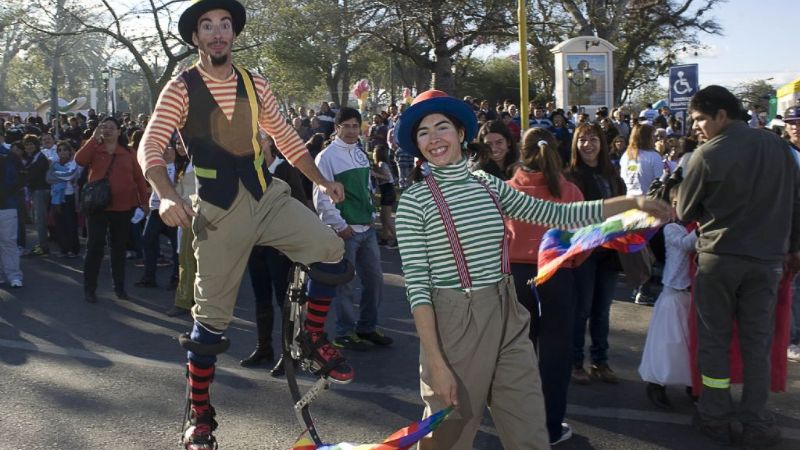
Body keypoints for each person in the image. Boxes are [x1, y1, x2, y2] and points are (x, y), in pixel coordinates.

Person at [394, 90, 672, 449]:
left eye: (442, 127)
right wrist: (436, 362)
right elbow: (417, 287)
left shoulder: (488, 184)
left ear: (461, 133)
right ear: (417, 145)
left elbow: (559, 215)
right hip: (456, 322)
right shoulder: (415, 203)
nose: (434, 138)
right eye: (423, 132)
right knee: (449, 436)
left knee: (529, 428)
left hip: (508, 309)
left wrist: (630, 203)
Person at [138, 2, 354, 448]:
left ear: (233, 34)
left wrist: (321, 181)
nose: (218, 33)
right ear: (195, 37)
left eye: (224, 26)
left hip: (266, 195)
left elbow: (287, 138)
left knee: (331, 252)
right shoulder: (181, 88)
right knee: (209, 325)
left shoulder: (255, 83)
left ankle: (311, 337)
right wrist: (167, 198)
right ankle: (200, 416)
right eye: (207, 26)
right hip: (218, 211)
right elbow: (151, 146)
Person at [677, 85, 800, 447]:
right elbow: (797, 204)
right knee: (757, 344)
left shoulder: (706, 154)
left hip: (720, 260)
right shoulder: (781, 148)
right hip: (768, 263)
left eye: (700, 119)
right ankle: (757, 421)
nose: (696, 127)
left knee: (715, 341)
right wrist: (794, 248)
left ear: (721, 115)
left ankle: (715, 415)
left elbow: (684, 212)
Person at [506, 127, 586, 445]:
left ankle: (515, 424)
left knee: (515, 357)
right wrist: (572, 265)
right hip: (556, 275)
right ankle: (550, 427)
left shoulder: (508, 189)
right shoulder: (569, 191)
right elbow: (584, 238)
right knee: (555, 357)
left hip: (516, 276)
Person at [314, 107, 393, 350]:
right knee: (345, 285)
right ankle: (344, 333)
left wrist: (372, 216)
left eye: (354, 126)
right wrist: (340, 226)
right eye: (345, 126)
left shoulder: (360, 153)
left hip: (366, 229)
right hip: (345, 232)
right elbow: (321, 197)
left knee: (374, 282)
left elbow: (366, 189)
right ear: (336, 128)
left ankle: (367, 328)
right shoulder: (325, 157)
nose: (350, 130)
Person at [564, 122, 628, 385]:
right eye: (582, 140)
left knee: (602, 311)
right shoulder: (569, 177)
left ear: (602, 144)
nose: (588, 145)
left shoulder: (612, 175)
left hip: (610, 252)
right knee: (581, 310)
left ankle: (600, 362)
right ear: (575, 145)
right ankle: (575, 362)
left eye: (593, 139)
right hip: (584, 252)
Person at [241, 131, 308, 368]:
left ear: (269, 141)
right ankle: (263, 348)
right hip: (255, 245)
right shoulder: (247, 169)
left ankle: (290, 354)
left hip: (280, 247)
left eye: (259, 136)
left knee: (285, 301)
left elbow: (300, 202)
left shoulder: (284, 168)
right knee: (261, 299)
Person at [75, 117, 149, 302]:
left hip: (123, 206)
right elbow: (79, 160)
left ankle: (119, 287)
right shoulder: (95, 148)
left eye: (111, 128)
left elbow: (139, 178)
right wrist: (93, 138)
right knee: (95, 247)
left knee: (118, 248)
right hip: (97, 207)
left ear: (119, 131)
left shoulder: (128, 152)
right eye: (104, 127)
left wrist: (145, 202)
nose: (107, 130)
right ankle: (89, 289)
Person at [638, 188, 696, 410]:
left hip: (693, 295)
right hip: (673, 293)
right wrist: (705, 229)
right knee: (667, 344)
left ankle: (694, 386)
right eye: (676, 202)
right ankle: (656, 384)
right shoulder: (672, 229)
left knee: (692, 344)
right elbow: (687, 244)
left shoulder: (693, 226)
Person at [136, 142, 179, 288]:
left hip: (174, 211)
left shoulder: (182, 168)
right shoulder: (157, 167)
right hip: (155, 210)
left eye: (169, 147)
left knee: (176, 246)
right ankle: (149, 277)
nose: (166, 151)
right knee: (148, 240)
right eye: (163, 148)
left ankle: (177, 278)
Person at [783, 107, 800, 362]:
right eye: (791, 122)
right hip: (791, 229)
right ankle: (792, 338)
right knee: (794, 286)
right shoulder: (785, 154)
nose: (795, 126)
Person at [46, 140, 80, 258]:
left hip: (69, 196)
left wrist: (57, 176)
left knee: (70, 223)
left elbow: (70, 176)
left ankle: (73, 249)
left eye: (65, 149)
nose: (62, 152)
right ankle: (64, 248)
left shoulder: (73, 164)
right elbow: (48, 179)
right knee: (59, 224)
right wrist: (60, 177)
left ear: (70, 151)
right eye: (59, 150)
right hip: (56, 198)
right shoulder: (54, 163)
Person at [22, 134, 51, 256]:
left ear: (36, 145)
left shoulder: (39, 157)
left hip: (41, 190)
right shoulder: (32, 157)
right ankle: (42, 244)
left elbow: (32, 174)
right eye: (27, 144)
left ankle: (43, 247)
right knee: (37, 219)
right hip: (35, 190)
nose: (29, 146)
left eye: (31, 144)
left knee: (40, 220)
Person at [0, 148, 24, 288]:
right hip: (8, 204)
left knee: (8, 242)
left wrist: (6, 192)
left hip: (7, 205)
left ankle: (14, 275)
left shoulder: (10, 156)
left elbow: (21, 178)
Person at [372, 144, 397, 248]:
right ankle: (384, 238)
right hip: (387, 191)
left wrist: (374, 174)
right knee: (383, 217)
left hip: (388, 191)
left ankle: (398, 239)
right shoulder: (380, 164)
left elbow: (387, 177)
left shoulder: (382, 164)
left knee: (386, 218)